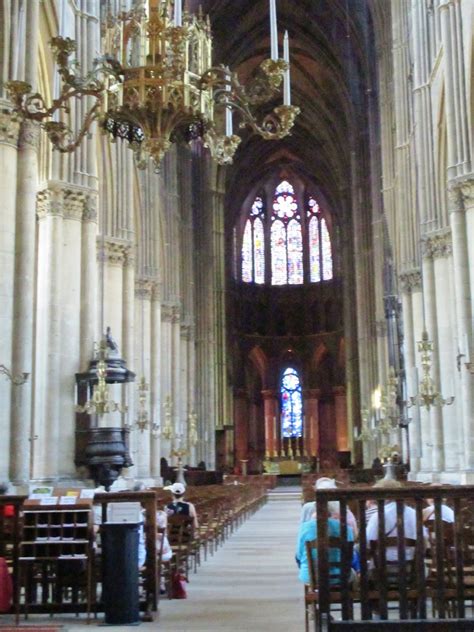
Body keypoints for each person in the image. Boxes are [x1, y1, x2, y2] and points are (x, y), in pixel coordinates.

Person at [296, 501, 355, 585]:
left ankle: (311, 582)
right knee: (352, 572)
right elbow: (350, 555)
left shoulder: (305, 527)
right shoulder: (345, 528)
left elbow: (299, 554)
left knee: (300, 560)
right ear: (332, 512)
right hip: (341, 576)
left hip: (311, 576)